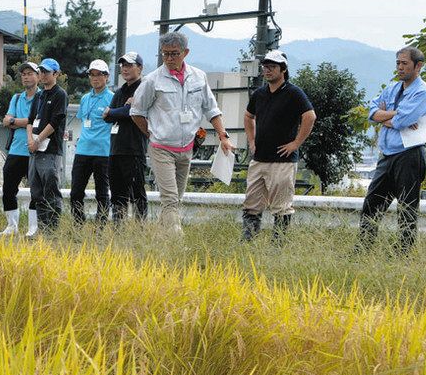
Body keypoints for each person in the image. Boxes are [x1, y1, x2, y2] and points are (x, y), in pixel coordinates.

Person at [129, 31, 235, 232]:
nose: (169, 58)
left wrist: (223, 135)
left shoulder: (198, 77)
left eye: (174, 53)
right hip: (161, 147)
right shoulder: (152, 80)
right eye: (165, 54)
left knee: (176, 198)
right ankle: (177, 241)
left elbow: (211, 109)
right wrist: (150, 134)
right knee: (169, 198)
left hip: (186, 147)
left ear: (185, 52)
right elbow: (136, 112)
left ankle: (160, 241)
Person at [356, 45, 426, 254]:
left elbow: (402, 120)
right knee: (372, 203)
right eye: (398, 63)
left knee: (407, 207)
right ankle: (362, 249)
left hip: (409, 154)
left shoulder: (422, 92)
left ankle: (403, 253)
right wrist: (391, 115)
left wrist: (387, 116)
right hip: (388, 154)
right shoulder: (392, 88)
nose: (400, 68)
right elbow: (371, 112)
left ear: (418, 66)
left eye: (404, 63)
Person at [242, 49, 316, 242]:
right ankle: (248, 240)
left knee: (281, 206)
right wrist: (251, 141)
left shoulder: (293, 93)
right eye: (265, 67)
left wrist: (296, 143)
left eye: (272, 67)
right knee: (251, 203)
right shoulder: (259, 93)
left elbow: (310, 116)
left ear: (283, 69)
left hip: (283, 160)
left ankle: (278, 244)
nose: (267, 70)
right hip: (259, 158)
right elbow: (248, 116)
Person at [104, 52, 148, 222]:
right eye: (123, 65)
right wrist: (121, 110)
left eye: (129, 65)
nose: (125, 69)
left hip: (134, 148)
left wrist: (118, 111)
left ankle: (140, 228)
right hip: (115, 149)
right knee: (117, 193)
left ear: (140, 68)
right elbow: (107, 116)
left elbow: (133, 111)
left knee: (137, 191)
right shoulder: (120, 91)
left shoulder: (143, 88)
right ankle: (118, 227)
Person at [0, 62, 39, 236]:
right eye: (23, 74)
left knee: (36, 190)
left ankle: (33, 227)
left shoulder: (42, 97)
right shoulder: (16, 98)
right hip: (15, 150)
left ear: (37, 76)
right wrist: (21, 121)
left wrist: (16, 121)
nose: (26, 77)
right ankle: (12, 226)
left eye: (30, 73)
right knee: (8, 188)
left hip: (34, 149)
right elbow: (6, 121)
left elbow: (37, 122)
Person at [27, 58, 68, 236]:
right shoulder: (39, 95)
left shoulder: (60, 94)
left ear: (56, 74)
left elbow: (55, 122)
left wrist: (37, 140)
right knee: (36, 191)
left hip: (50, 149)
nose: (43, 75)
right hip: (34, 149)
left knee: (51, 189)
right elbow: (30, 121)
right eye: (41, 72)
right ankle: (42, 228)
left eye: (47, 72)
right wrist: (30, 140)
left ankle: (52, 230)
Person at [71, 59, 114, 225]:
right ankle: (78, 224)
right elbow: (83, 120)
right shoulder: (85, 98)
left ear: (106, 77)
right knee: (76, 192)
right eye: (92, 75)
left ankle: (100, 227)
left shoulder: (112, 97)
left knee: (101, 192)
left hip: (103, 151)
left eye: (99, 75)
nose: (95, 78)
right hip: (83, 150)